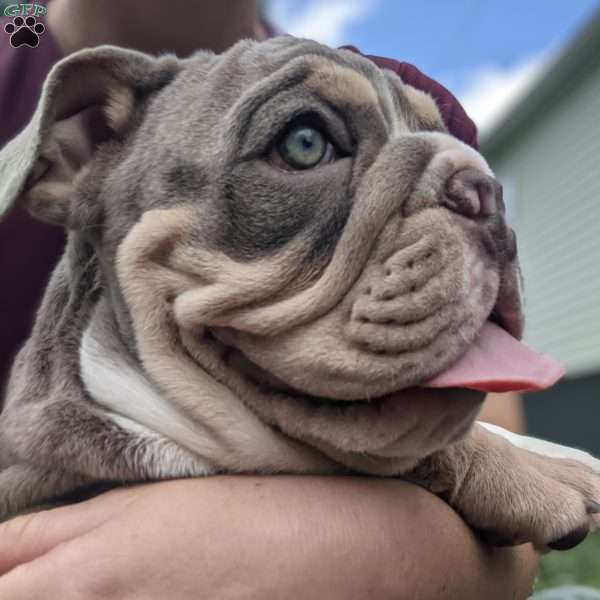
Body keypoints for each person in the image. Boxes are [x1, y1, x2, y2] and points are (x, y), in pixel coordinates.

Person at [0, 1, 537, 597]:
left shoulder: (376, 76)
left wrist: (368, 550)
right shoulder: (14, 43)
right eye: (303, 144)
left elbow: (527, 506)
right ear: (77, 146)